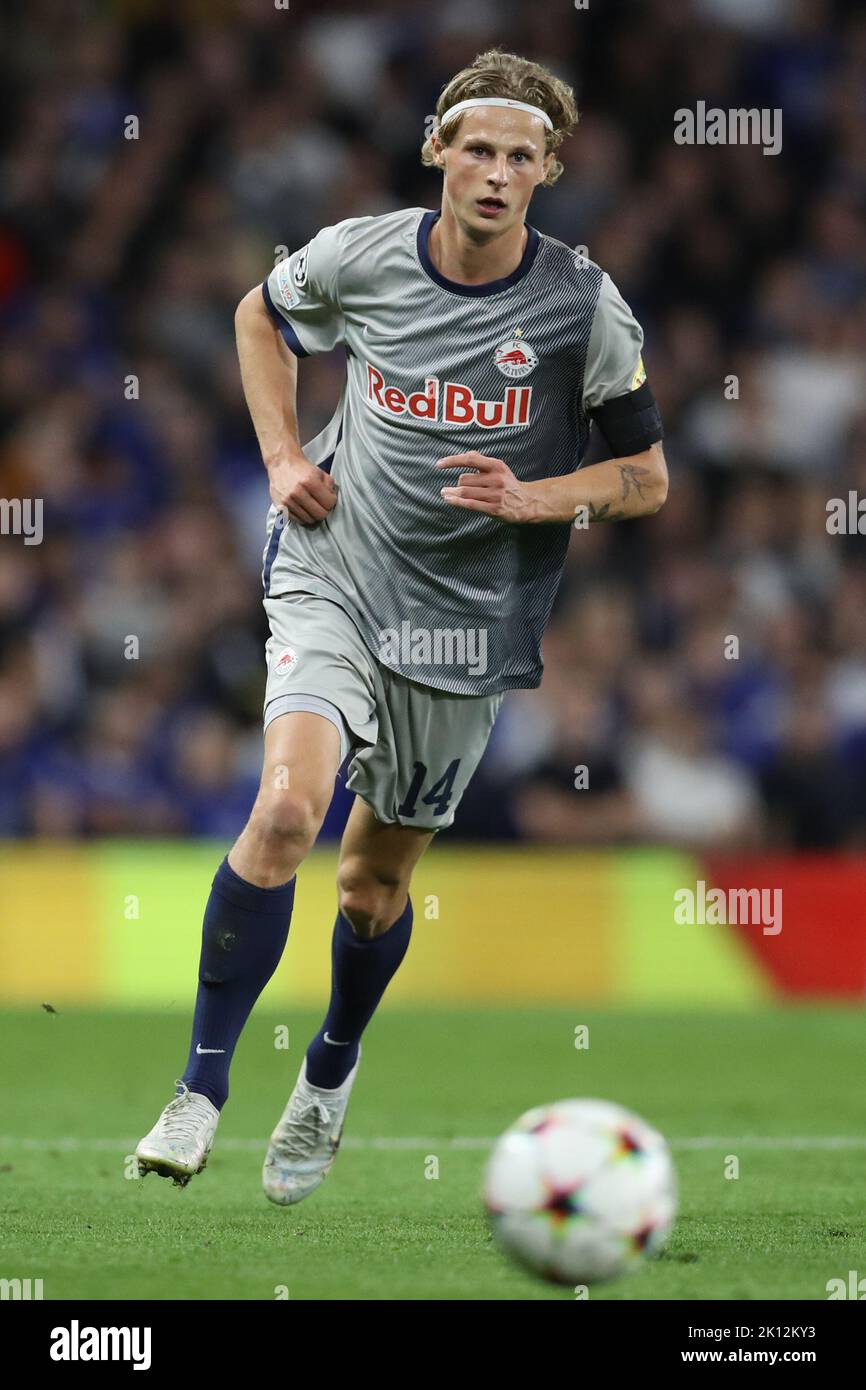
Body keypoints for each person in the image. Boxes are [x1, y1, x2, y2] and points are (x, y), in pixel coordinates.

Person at [135, 47, 668, 1204]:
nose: (492, 173)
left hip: (463, 626)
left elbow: (645, 475)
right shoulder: (359, 255)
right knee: (283, 809)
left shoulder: (581, 305)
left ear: (546, 172)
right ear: (438, 150)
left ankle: (327, 1069)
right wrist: (281, 457)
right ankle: (199, 1092)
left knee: (369, 887)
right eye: (475, 148)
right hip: (336, 568)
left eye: (518, 157)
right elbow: (257, 317)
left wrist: (541, 496)